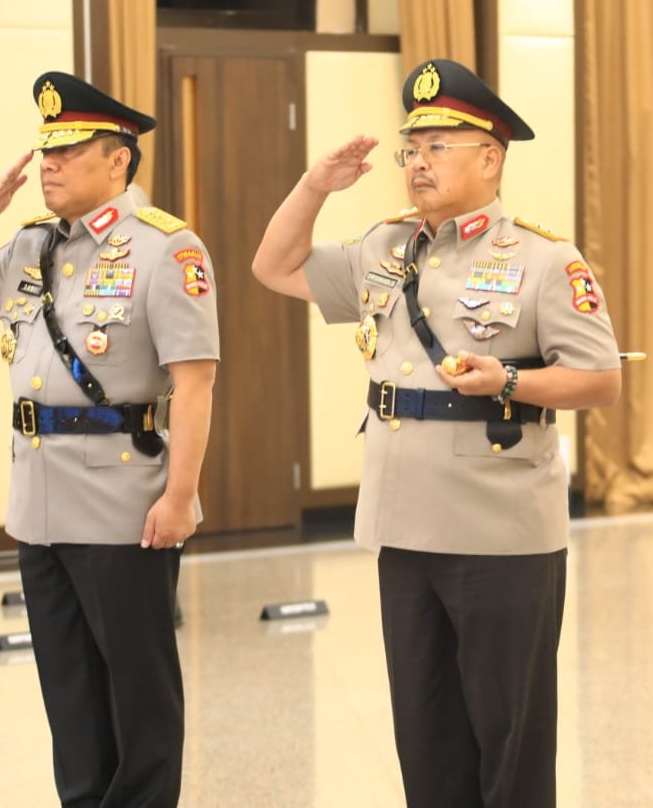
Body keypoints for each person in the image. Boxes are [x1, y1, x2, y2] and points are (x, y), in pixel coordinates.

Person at [253, 58, 621, 807]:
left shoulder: (546, 260)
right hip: (404, 526)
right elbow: (273, 265)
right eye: (411, 149)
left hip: (500, 533)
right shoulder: (384, 247)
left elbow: (600, 378)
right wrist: (315, 185)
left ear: (490, 157)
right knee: (426, 739)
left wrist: (509, 381)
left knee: (509, 742)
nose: (418, 163)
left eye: (438, 147)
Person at [0, 72, 219, 806]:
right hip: (39, 503)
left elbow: (196, 383)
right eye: (45, 150)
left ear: (118, 159)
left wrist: (180, 496)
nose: (48, 164)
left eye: (67, 151)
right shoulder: (31, 245)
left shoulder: (166, 249)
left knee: (138, 691)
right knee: (69, 692)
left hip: (122, 502)